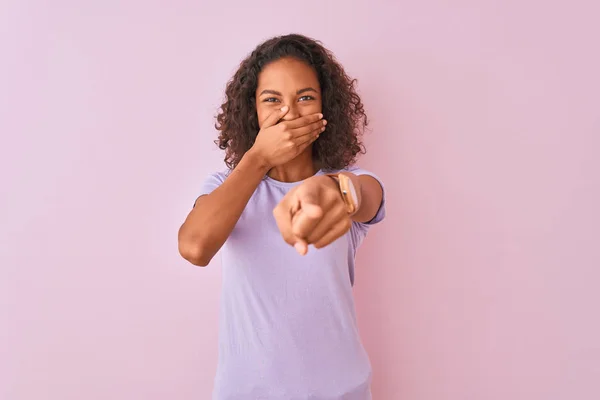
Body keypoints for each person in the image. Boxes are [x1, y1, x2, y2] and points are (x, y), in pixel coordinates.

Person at [178, 33, 386, 400]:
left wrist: (338, 191)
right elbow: (195, 247)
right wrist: (259, 158)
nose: (289, 112)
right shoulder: (225, 188)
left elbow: (364, 195)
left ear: (327, 107)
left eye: (305, 97)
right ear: (253, 111)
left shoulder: (349, 181)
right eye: (272, 100)